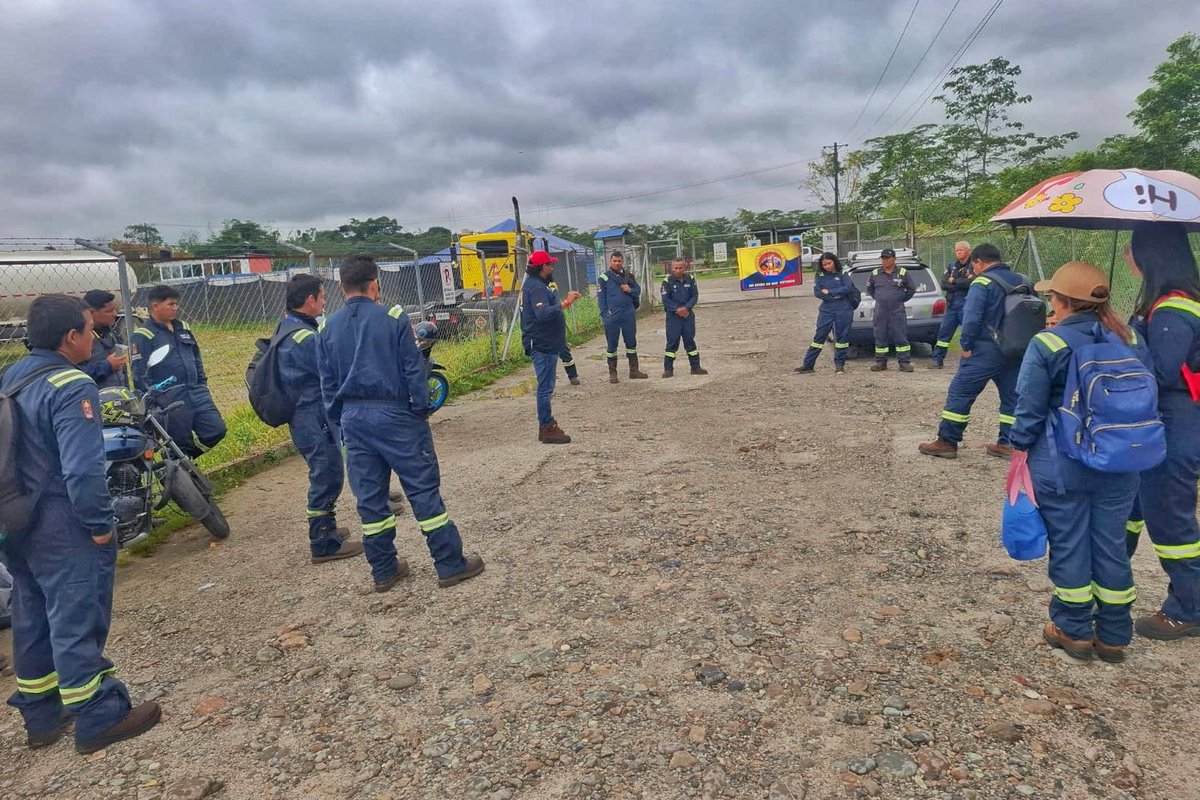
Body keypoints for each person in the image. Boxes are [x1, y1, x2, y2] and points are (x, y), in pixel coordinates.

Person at [2, 295, 161, 753]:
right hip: (60, 520)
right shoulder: (72, 385)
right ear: (71, 336)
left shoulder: (12, 377)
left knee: (31, 614)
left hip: (15, 518)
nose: (95, 339)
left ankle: (41, 717)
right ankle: (98, 715)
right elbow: (82, 469)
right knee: (76, 615)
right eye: (90, 331)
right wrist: (99, 524)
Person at [316, 256, 484, 591]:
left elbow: (327, 385)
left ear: (341, 287)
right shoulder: (393, 318)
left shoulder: (326, 329)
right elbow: (413, 368)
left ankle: (384, 571)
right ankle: (450, 564)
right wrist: (420, 410)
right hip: (396, 416)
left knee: (370, 498)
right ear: (374, 284)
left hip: (353, 420)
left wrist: (342, 422)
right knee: (422, 490)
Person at [1009, 262, 1144, 663]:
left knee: (1069, 543)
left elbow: (1029, 408)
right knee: (1111, 544)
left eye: (1052, 296)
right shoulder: (1129, 339)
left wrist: (1019, 450)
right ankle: (1115, 634)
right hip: (1121, 461)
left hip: (1062, 462)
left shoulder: (1048, 344)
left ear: (1063, 301)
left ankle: (1073, 629)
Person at [1120, 223, 1200, 641]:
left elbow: (1163, 372)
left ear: (1151, 257)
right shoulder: (1173, 302)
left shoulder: (1172, 309)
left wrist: (1126, 343)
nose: (1128, 257)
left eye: (1132, 250)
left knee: (1170, 519)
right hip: (1163, 424)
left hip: (1173, 425)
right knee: (1131, 506)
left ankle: (1188, 608)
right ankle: (1109, 577)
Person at [277, 274, 363, 564]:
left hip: (308, 414)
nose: (325, 303)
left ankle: (328, 527)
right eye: (322, 297)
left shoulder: (290, 326)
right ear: (310, 299)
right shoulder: (303, 338)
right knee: (326, 474)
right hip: (310, 416)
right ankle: (323, 542)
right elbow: (332, 367)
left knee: (327, 470)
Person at [919, 243, 1026, 460]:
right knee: (1012, 397)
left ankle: (947, 442)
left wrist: (966, 346)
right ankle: (1008, 443)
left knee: (960, 393)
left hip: (984, 350)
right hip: (1015, 350)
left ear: (978, 262)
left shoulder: (982, 282)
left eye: (974, 266)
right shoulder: (1023, 281)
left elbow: (971, 319)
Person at [131, 284, 226, 458]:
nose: (175, 308)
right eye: (171, 304)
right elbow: (139, 375)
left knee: (216, 430)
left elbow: (196, 357)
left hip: (196, 391)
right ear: (155, 306)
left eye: (176, 304)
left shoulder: (183, 327)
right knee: (178, 444)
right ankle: (178, 469)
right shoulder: (143, 336)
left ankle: (187, 459)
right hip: (170, 398)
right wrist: (156, 399)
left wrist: (202, 383)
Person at [521, 251, 580, 444]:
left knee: (546, 386)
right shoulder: (537, 287)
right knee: (545, 388)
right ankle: (546, 427)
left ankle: (547, 425)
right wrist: (566, 303)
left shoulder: (537, 284)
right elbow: (543, 314)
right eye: (550, 264)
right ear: (542, 267)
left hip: (547, 342)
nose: (552, 267)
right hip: (542, 343)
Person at [795, 252, 855, 374]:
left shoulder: (842, 273)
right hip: (827, 309)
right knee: (819, 336)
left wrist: (830, 292)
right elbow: (818, 292)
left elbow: (848, 288)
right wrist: (835, 295)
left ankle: (839, 365)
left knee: (842, 337)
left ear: (834, 261)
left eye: (829, 263)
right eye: (824, 264)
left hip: (843, 308)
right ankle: (808, 365)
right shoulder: (820, 275)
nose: (827, 266)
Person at [597, 251, 647, 382]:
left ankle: (634, 371)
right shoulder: (604, 278)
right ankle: (613, 373)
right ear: (610, 262)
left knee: (631, 342)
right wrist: (604, 315)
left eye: (619, 261)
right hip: (612, 315)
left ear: (622, 262)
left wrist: (629, 289)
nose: (617, 263)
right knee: (612, 344)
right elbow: (601, 299)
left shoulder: (628, 276)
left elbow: (637, 290)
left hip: (628, 314)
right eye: (614, 261)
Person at [865, 248, 916, 372]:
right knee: (880, 336)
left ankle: (904, 363)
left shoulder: (903, 273)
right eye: (883, 258)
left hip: (897, 310)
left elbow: (911, 289)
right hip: (880, 310)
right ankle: (880, 363)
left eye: (887, 258)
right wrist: (880, 298)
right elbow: (870, 289)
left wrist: (900, 299)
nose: (885, 260)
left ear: (894, 259)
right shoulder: (875, 273)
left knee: (900, 336)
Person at [660, 257, 708, 377]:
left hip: (687, 315)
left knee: (690, 341)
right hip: (673, 317)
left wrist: (686, 308)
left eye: (680, 268)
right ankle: (668, 370)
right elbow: (666, 300)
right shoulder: (667, 281)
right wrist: (678, 310)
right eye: (675, 268)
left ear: (685, 267)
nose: (678, 270)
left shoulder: (690, 279)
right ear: (672, 268)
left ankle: (695, 367)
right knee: (672, 342)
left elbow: (694, 296)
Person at [931, 241, 974, 369]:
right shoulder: (952, 266)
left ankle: (969, 361)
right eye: (956, 250)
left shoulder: (973, 265)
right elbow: (944, 284)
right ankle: (937, 360)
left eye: (961, 250)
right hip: (951, 305)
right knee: (943, 334)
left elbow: (971, 283)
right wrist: (960, 283)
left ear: (968, 250)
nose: (958, 252)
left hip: (966, 304)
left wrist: (954, 280)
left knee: (967, 333)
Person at [81, 289, 129, 388]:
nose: (115, 314)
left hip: (119, 393)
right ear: (91, 313)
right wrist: (108, 365)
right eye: (109, 311)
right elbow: (77, 373)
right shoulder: (81, 338)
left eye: (115, 309)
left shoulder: (110, 332)